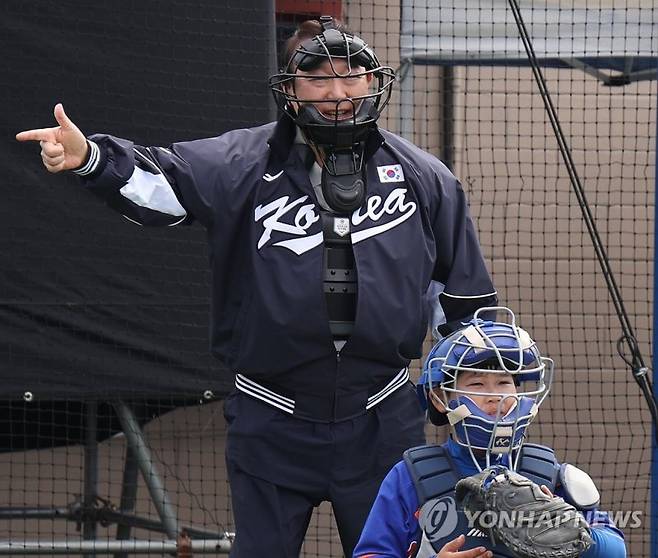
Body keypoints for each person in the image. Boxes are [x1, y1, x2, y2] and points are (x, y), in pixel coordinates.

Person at [16, 16, 497, 558]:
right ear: (290, 91)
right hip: (272, 420)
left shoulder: (426, 178)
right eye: (319, 78)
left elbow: (467, 306)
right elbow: (162, 185)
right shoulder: (242, 163)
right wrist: (92, 159)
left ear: (373, 81)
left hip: (382, 420)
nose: (337, 92)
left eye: (352, 75)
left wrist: (469, 402)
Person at [353, 306, 626, 558]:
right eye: (478, 384)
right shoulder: (409, 477)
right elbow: (371, 553)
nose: (495, 396)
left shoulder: (551, 477)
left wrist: (576, 534)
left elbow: (616, 551)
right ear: (440, 398)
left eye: (505, 382)